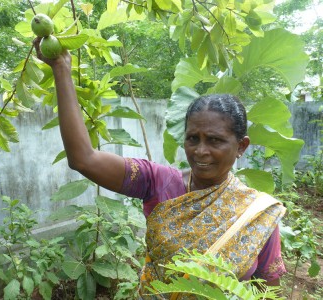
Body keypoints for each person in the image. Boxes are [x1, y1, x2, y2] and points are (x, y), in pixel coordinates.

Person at [33, 39, 287, 299]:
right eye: (192, 138)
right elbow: (83, 159)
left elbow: (267, 285)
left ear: (241, 146)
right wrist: (62, 68)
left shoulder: (257, 213)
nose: (200, 151)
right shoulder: (159, 182)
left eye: (215, 140)